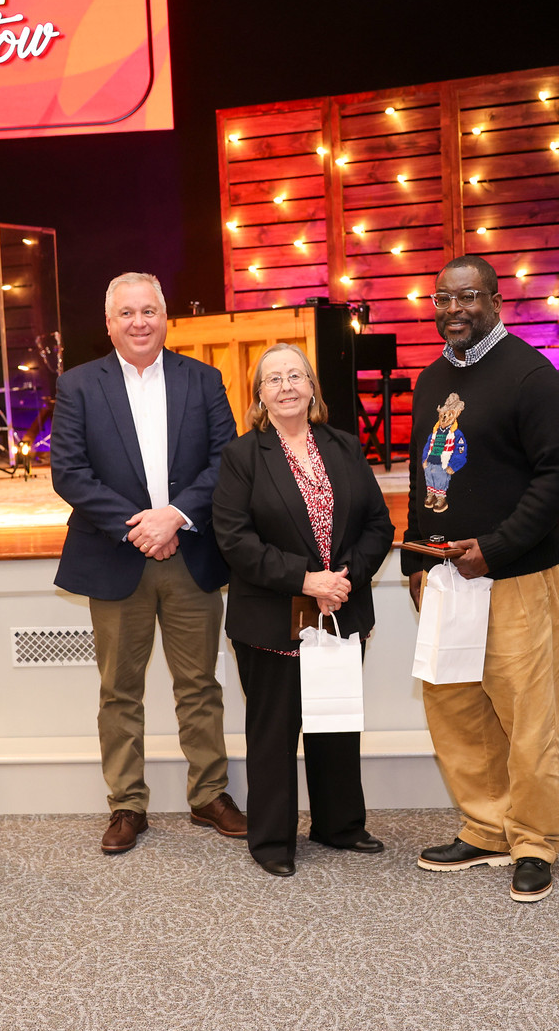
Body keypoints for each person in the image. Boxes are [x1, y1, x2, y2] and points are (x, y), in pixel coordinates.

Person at [403, 255, 559, 903]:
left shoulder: (532, 377)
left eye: (468, 297)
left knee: (530, 716)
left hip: (517, 575)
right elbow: (425, 474)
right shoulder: (431, 379)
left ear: (496, 300)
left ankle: (534, 839)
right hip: (446, 574)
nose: (454, 310)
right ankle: (487, 827)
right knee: (457, 708)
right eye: (443, 299)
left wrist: (498, 547)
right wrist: (415, 560)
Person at [50, 273, 244, 853]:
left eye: (150, 311)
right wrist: (141, 526)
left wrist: (175, 517)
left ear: (165, 318)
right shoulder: (78, 385)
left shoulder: (203, 379)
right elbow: (69, 472)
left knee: (200, 685)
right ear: (109, 324)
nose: (140, 322)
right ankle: (127, 804)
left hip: (191, 552)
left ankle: (209, 794)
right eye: (127, 313)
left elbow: (226, 459)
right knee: (119, 691)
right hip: (116, 554)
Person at [211, 343, 394, 876]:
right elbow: (235, 539)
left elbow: (378, 525)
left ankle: (340, 825)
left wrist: (341, 581)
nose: (286, 386)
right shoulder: (243, 456)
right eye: (274, 379)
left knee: (335, 720)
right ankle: (272, 840)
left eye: (296, 375)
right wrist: (305, 580)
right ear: (259, 396)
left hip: (339, 608)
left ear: (312, 387)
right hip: (271, 616)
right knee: (274, 730)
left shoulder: (345, 446)